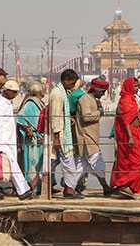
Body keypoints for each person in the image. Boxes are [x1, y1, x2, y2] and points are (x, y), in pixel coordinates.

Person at [0, 80, 32, 200]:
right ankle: (23, 190)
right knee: (12, 165)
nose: (15, 94)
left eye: (16, 92)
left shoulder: (6, 103)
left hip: (5, 141)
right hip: (2, 143)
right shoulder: (0, 104)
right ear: (6, 91)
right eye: (13, 92)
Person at [74, 78, 113, 196]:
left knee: (82, 166)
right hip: (86, 137)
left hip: (91, 137)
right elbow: (86, 117)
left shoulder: (92, 100)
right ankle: (106, 187)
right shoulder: (85, 99)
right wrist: (99, 112)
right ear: (95, 90)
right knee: (98, 162)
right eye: (102, 92)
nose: (103, 94)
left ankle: (72, 187)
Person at [48, 69, 83, 198]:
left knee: (51, 162)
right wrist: (57, 138)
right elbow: (56, 116)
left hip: (63, 133)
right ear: (65, 81)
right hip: (61, 136)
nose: (73, 86)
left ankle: (33, 185)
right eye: (72, 83)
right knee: (68, 163)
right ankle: (69, 190)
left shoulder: (61, 92)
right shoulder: (57, 94)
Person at [110, 77, 140, 198]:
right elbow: (125, 121)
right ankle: (122, 183)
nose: (137, 89)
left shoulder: (132, 99)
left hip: (137, 133)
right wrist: (130, 137)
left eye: (137, 86)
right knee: (136, 162)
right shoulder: (125, 100)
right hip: (130, 135)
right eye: (135, 86)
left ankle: (131, 186)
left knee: (137, 160)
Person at [16, 82, 45, 190]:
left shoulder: (38, 102)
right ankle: (30, 186)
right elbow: (20, 117)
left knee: (39, 163)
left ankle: (38, 186)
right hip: (32, 139)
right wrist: (27, 128)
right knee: (33, 162)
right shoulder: (30, 104)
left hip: (39, 137)